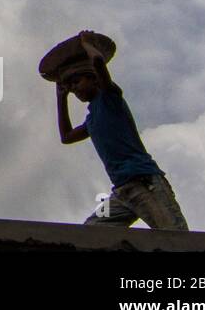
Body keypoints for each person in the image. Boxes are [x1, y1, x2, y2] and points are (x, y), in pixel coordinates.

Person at [56, 30, 189, 230]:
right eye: (71, 86)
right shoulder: (91, 120)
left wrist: (87, 44)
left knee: (174, 235)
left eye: (77, 82)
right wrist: (61, 97)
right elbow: (66, 137)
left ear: (94, 80)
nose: (74, 89)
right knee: (90, 233)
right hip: (123, 192)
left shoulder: (110, 98)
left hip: (145, 183)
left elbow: (99, 63)